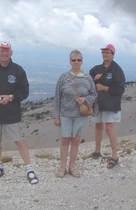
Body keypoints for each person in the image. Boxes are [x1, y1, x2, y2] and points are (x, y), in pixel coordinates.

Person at [0, 41, 38, 184]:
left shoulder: (18, 70)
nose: (4, 53)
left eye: (7, 51)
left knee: (19, 140)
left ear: (11, 53)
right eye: (2, 50)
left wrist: (11, 97)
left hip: (12, 113)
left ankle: (29, 169)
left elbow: (24, 91)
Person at [52, 49, 97, 178]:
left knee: (76, 141)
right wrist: (56, 116)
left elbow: (94, 95)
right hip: (65, 114)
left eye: (79, 60)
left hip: (81, 116)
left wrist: (85, 99)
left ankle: (72, 167)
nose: (76, 62)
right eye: (74, 60)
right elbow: (57, 97)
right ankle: (62, 168)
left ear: (82, 61)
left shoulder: (88, 78)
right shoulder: (63, 77)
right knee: (65, 140)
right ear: (70, 61)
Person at [89, 44, 125, 169]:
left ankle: (114, 156)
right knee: (98, 126)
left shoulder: (117, 70)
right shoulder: (96, 69)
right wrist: (94, 79)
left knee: (109, 129)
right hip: (98, 102)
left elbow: (120, 89)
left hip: (111, 103)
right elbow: (88, 82)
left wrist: (103, 87)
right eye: (104, 52)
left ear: (112, 54)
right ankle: (97, 152)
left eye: (108, 52)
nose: (105, 54)